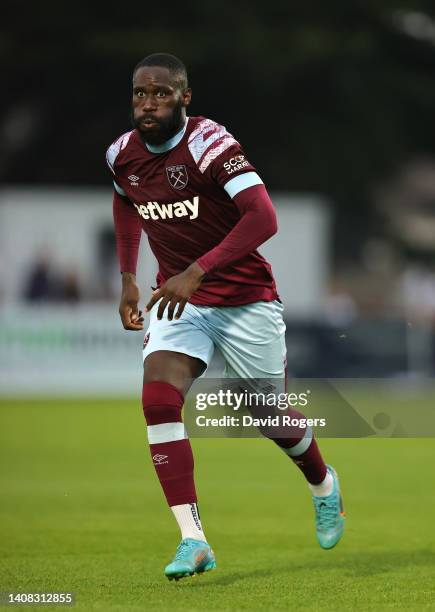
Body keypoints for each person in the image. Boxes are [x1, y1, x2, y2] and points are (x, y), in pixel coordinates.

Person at [107, 53, 344, 581]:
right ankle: (193, 540)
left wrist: (197, 270)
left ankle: (324, 484)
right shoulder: (121, 154)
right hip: (179, 303)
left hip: (245, 301)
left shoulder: (210, 144)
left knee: (269, 418)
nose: (149, 103)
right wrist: (128, 275)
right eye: (141, 94)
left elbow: (264, 217)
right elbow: (125, 202)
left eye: (162, 94)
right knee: (157, 399)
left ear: (184, 98)